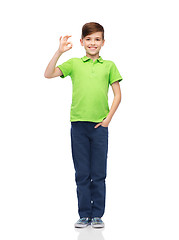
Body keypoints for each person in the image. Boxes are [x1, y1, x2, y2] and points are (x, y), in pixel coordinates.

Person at [44, 22, 123, 228]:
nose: (93, 43)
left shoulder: (109, 66)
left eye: (97, 39)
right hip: (78, 126)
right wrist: (59, 51)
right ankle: (84, 214)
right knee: (82, 173)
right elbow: (48, 73)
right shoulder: (74, 64)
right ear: (81, 42)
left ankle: (97, 215)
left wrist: (108, 119)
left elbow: (118, 95)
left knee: (98, 173)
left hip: (99, 127)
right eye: (88, 39)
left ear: (103, 42)